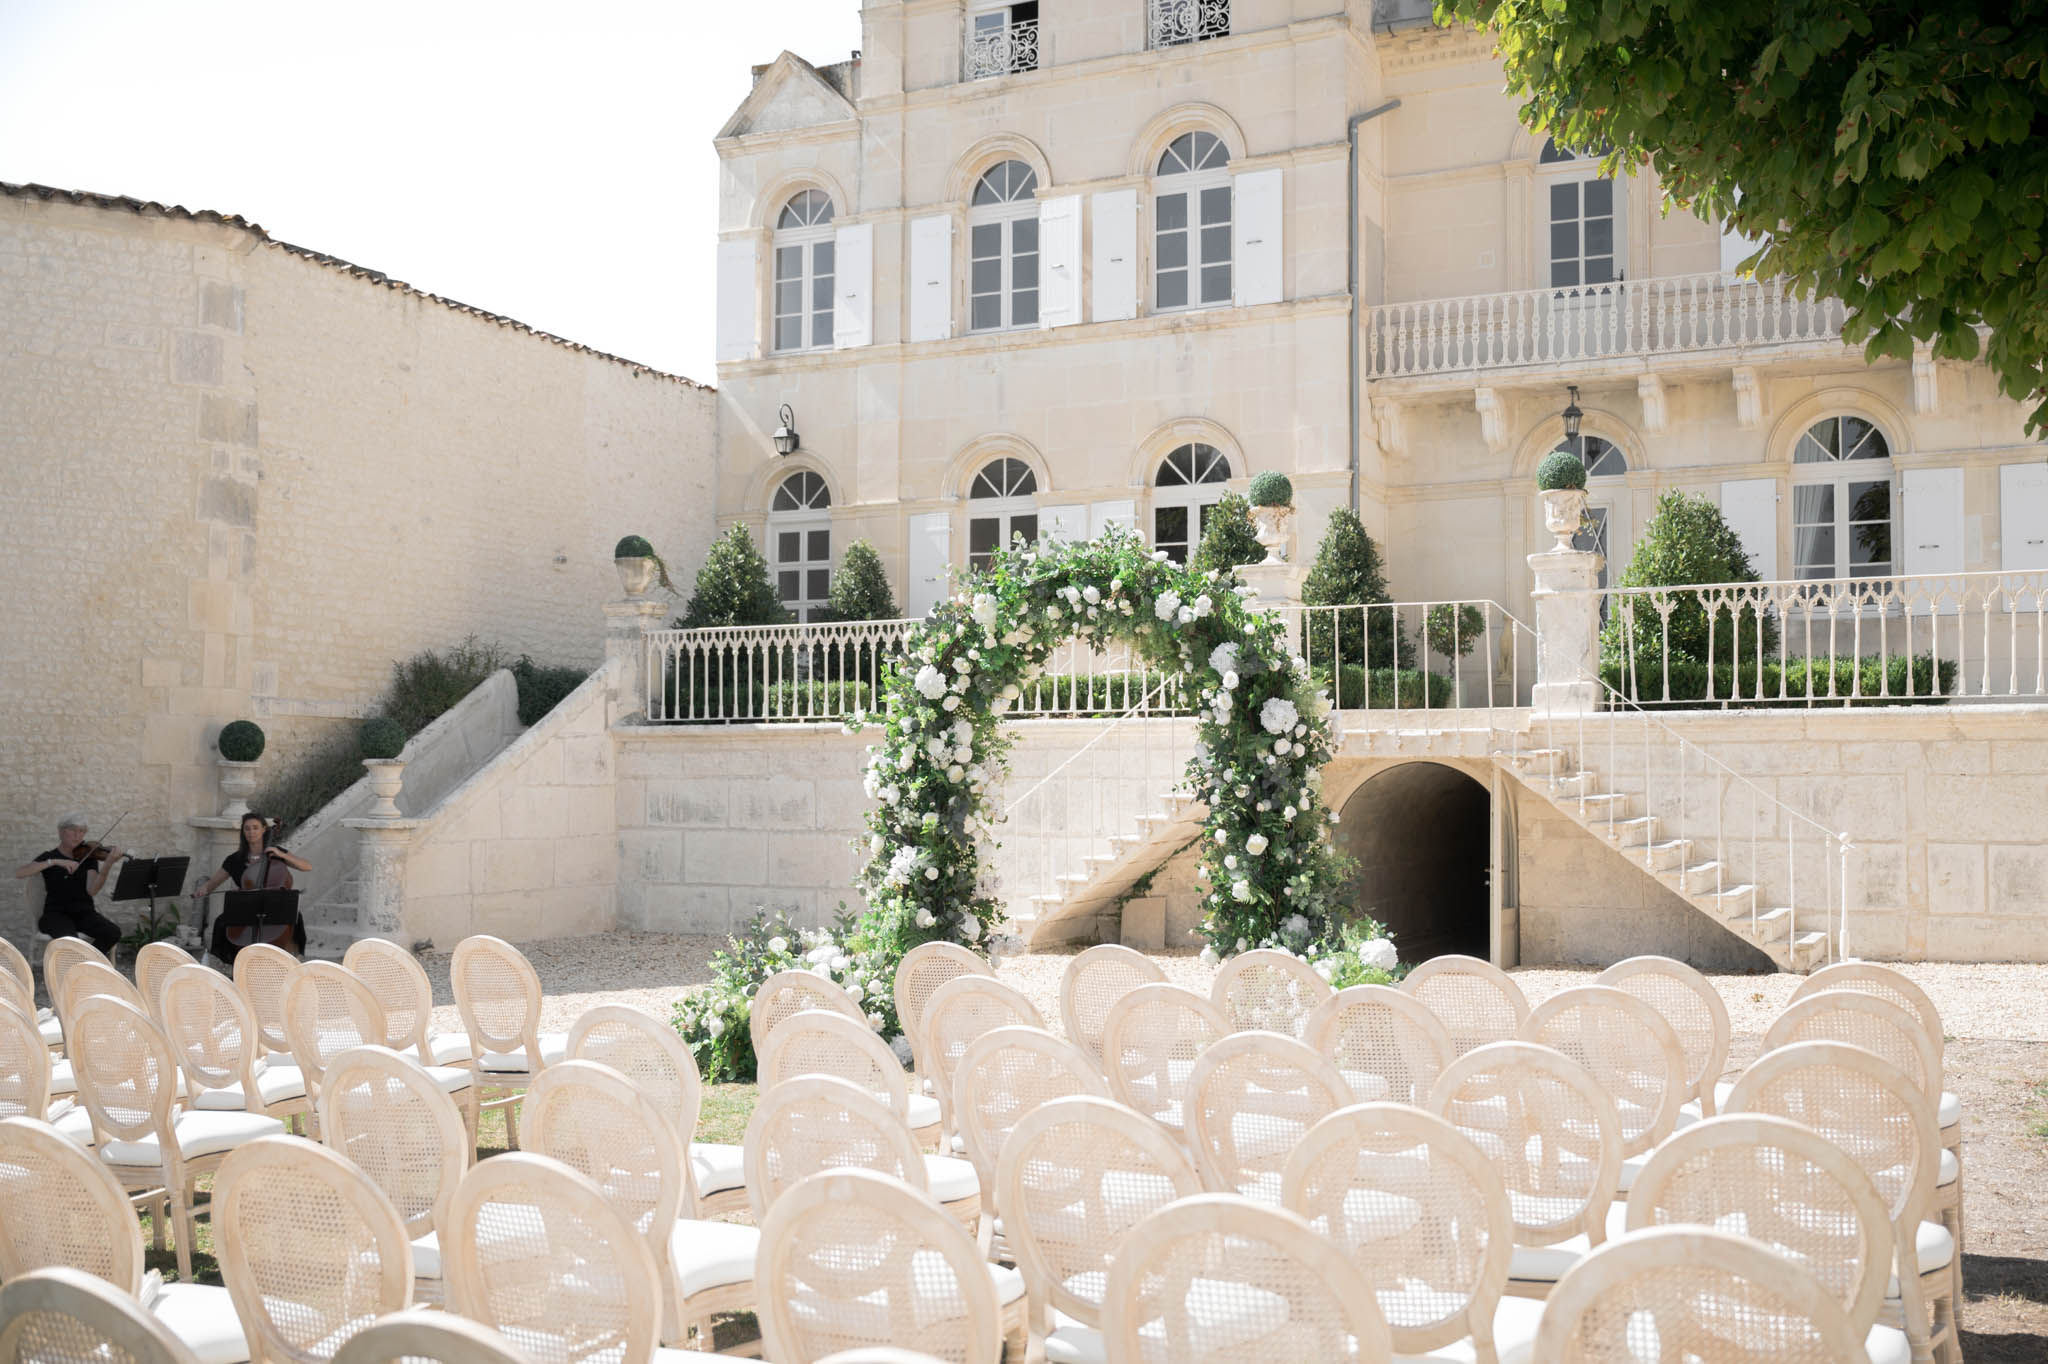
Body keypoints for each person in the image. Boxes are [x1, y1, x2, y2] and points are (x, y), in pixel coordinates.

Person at [192, 812, 310, 962]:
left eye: (255, 828)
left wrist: (282, 854)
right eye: (247, 829)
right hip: (246, 910)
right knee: (221, 921)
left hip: (274, 907)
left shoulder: (275, 853)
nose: (251, 832)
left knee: (295, 916)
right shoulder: (234, 860)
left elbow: (307, 866)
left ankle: (296, 956)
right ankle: (227, 962)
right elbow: (213, 883)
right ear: (243, 832)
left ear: (264, 830)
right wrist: (203, 889)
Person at [15, 814, 127, 955]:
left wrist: (108, 864)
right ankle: (74, 969)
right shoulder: (49, 856)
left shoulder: (89, 857)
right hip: (55, 914)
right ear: (61, 832)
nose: (77, 835)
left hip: (84, 913)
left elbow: (92, 890)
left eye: (82, 831)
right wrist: (54, 862)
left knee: (112, 932)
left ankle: (88, 964)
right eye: (73, 830)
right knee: (71, 942)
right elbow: (20, 873)